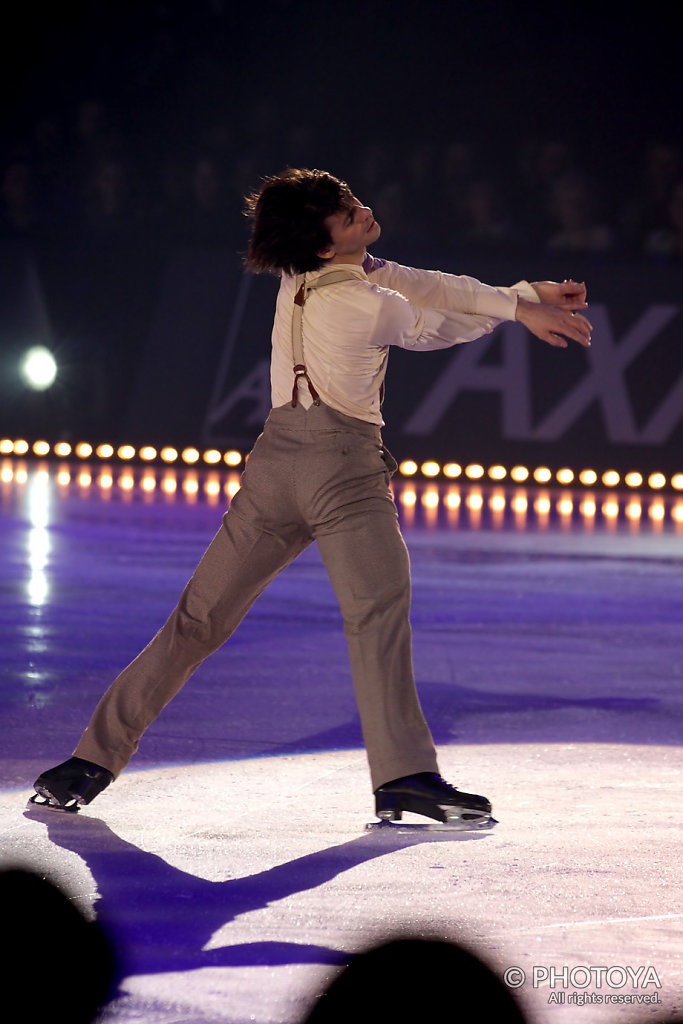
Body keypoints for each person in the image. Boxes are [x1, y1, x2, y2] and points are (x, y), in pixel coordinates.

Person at [32, 168, 591, 826]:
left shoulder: (300, 275)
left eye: (352, 199)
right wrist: (516, 309)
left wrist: (519, 298)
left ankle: (88, 762)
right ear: (325, 245)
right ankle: (404, 776)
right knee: (376, 614)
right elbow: (436, 323)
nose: (363, 209)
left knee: (196, 621)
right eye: (347, 212)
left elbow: (424, 282)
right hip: (341, 471)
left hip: (272, 470)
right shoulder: (366, 303)